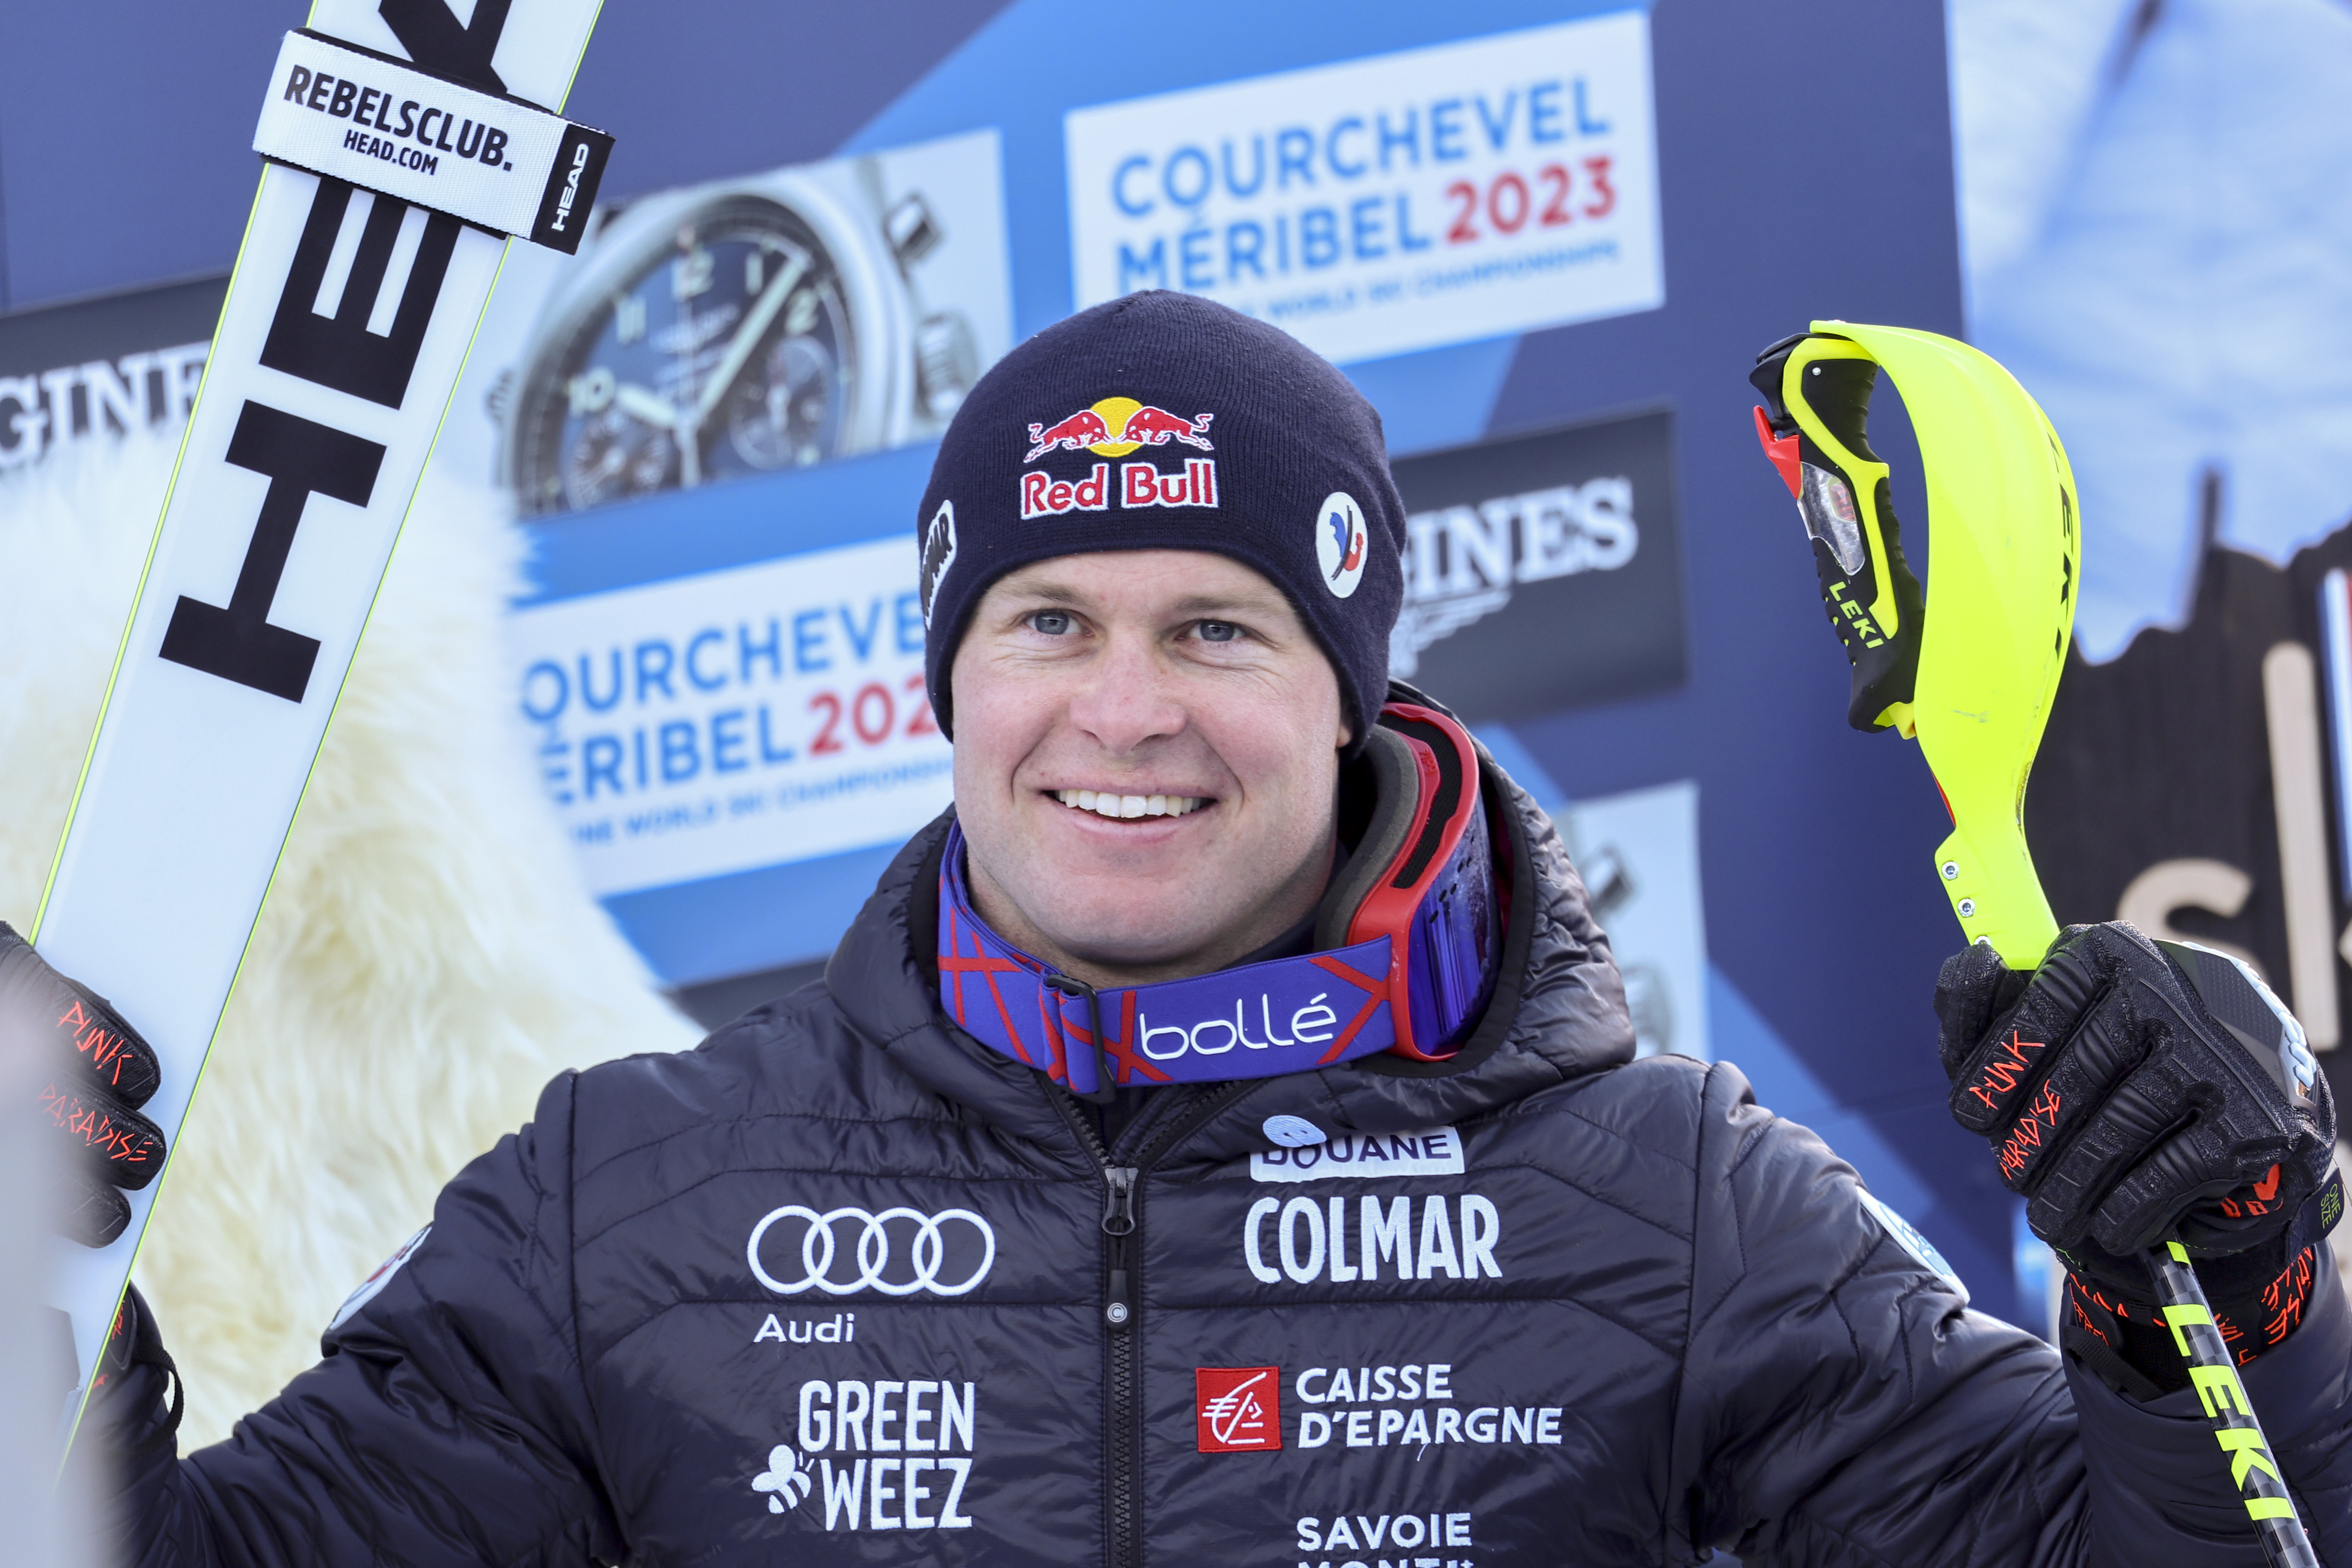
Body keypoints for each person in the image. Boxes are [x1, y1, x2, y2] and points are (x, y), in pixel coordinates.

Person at [67, 291, 2352, 1565]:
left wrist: (2224, 1302)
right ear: (944, 679)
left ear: (1352, 688)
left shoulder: (1668, 1195)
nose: (1122, 708)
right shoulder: (626, 1199)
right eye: (1046, 615)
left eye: (1220, 626)